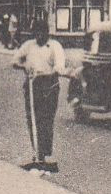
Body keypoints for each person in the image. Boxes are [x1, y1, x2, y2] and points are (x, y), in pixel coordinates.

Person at [10, 24, 74, 174]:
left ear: (47, 33)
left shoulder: (54, 46)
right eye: (36, 34)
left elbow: (59, 67)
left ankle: (44, 155)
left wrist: (47, 73)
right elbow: (15, 61)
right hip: (32, 85)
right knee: (32, 119)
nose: (39, 37)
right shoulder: (28, 45)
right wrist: (25, 67)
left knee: (45, 119)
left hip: (49, 85)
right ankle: (37, 154)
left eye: (42, 34)